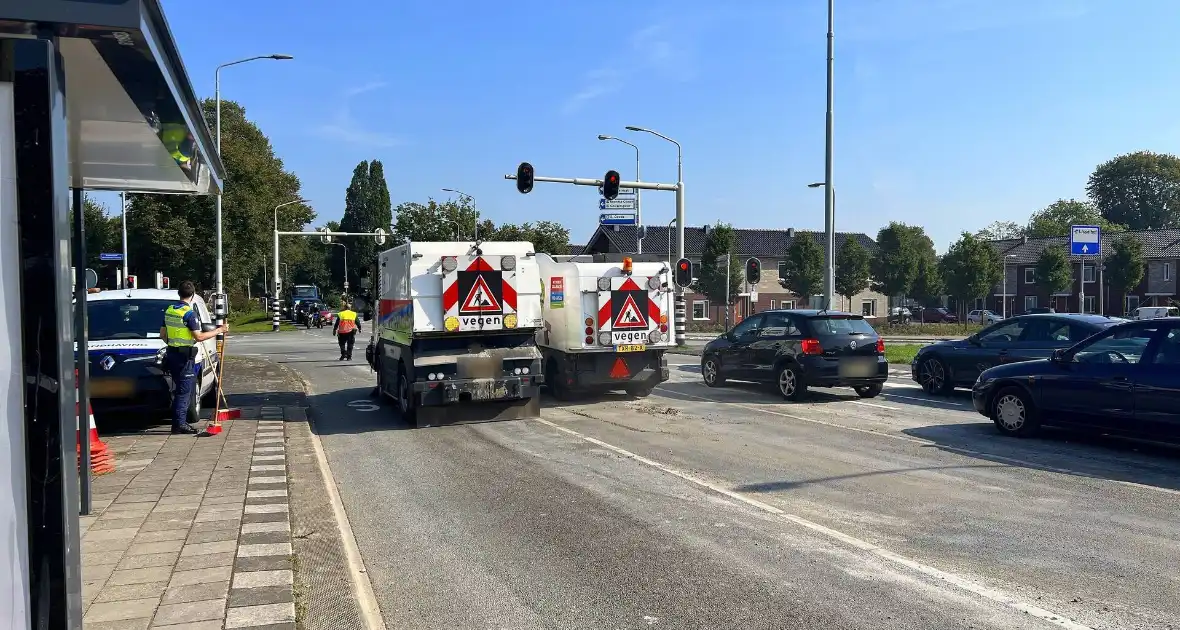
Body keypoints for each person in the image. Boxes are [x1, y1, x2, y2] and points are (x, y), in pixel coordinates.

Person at [160, 281, 227, 434]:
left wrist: (174, 344)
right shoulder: (189, 314)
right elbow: (199, 337)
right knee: (184, 392)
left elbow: (162, 335)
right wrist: (220, 330)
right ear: (193, 295)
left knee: (179, 390)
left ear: (179, 293)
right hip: (184, 357)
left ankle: (179, 422)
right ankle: (179, 425)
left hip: (172, 354)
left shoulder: (169, 310)